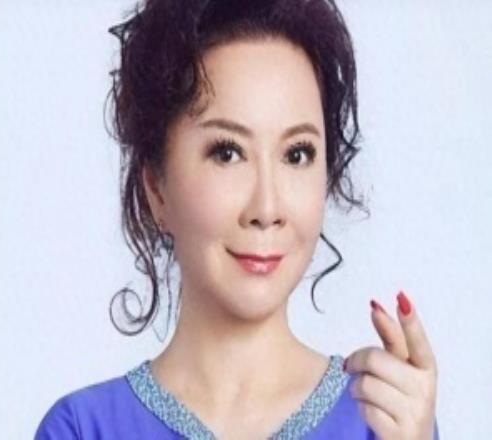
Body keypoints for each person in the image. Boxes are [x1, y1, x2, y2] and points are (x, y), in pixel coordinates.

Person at [35, 0, 440, 438]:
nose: (267, 208)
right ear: (156, 187)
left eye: (297, 154)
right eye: (227, 153)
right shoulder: (84, 428)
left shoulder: (384, 421)